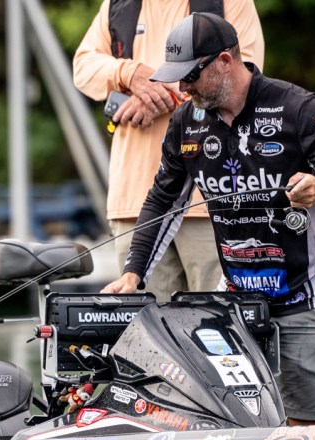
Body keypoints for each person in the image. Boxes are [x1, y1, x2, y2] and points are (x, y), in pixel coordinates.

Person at [101, 12, 315, 426]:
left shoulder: (298, 109)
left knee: (308, 428)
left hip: (309, 295)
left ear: (225, 62)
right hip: (236, 300)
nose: (182, 88)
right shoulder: (187, 121)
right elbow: (163, 200)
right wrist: (133, 273)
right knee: (230, 418)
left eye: (190, 76)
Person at [73, 0, 264, 301]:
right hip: (134, 203)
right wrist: (130, 73)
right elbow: (83, 67)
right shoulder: (118, 4)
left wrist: (152, 94)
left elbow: (244, 74)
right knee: (144, 326)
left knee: (221, 321)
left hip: (211, 202)